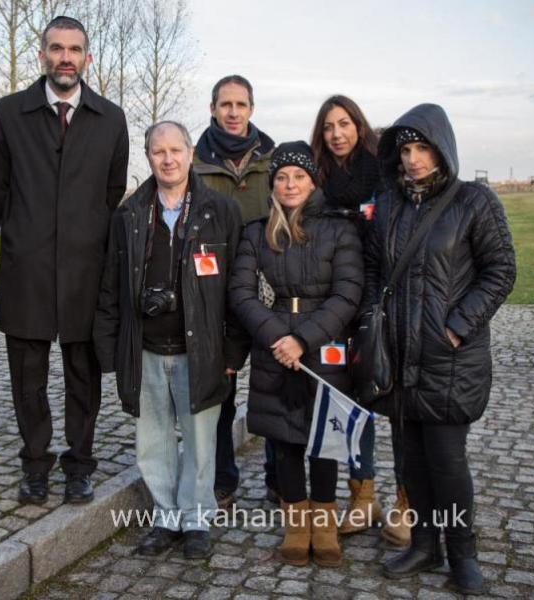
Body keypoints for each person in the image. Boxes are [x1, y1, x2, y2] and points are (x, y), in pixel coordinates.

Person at [367, 104, 515, 594]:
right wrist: (375, 320)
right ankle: (424, 544)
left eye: (421, 148)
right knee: (410, 461)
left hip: (450, 357)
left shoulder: (474, 201)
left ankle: (462, 552)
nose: (412, 159)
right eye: (405, 150)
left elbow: (500, 271)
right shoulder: (388, 204)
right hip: (399, 354)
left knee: (448, 462)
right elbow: (374, 270)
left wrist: (457, 326)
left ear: (441, 148)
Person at [0, 16, 129, 505]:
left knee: (82, 378)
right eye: (56, 48)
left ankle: (80, 465)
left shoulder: (110, 118)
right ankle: (34, 465)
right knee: (28, 379)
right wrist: (27, 234)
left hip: (86, 273)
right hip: (26, 271)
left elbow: (113, 194)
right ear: (42, 54)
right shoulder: (8, 113)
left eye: (74, 49)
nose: (65, 57)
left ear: (87, 57)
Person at [94, 121, 246, 559]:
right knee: (153, 441)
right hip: (145, 348)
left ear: (191, 151)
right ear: (148, 157)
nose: (168, 159)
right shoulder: (128, 214)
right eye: (158, 151)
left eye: (175, 149)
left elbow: (239, 289)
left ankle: (197, 521)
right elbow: (110, 285)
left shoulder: (221, 211)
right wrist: (111, 350)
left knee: (201, 443)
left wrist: (233, 352)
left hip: (202, 352)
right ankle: (166, 518)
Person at [228, 141, 363, 567]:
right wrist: (278, 339)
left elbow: (348, 293)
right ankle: (296, 523)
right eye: (282, 177)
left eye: (298, 176)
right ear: (273, 184)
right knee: (284, 440)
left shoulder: (339, 230)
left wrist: (303, 340)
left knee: (323, 441)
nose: (290, 184)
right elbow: (242, 293)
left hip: (324, 346)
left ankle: (324, 523)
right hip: (274, 349)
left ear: (312, 181)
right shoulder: (255, 232)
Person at [310, 94, 410, 546]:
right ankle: (362, 492)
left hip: (392, 300)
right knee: (357, 402)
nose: (337, 133)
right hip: (343, 303)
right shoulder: (320, 181)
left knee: (405, 405)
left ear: (359, 125)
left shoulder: (384, 173)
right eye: (329, 126)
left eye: (344, 123)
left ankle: (407, 500)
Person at [193, 75, 278, 508]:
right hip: (213, 292)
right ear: (212, 108)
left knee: (276, 385)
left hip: (265, 290)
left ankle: (281, 481)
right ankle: (222, 478)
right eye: (224, 104)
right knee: (220, 391)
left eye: (240, 104)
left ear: (251, 109)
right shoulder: (195, 161)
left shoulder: (272, 158)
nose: (232, 112)